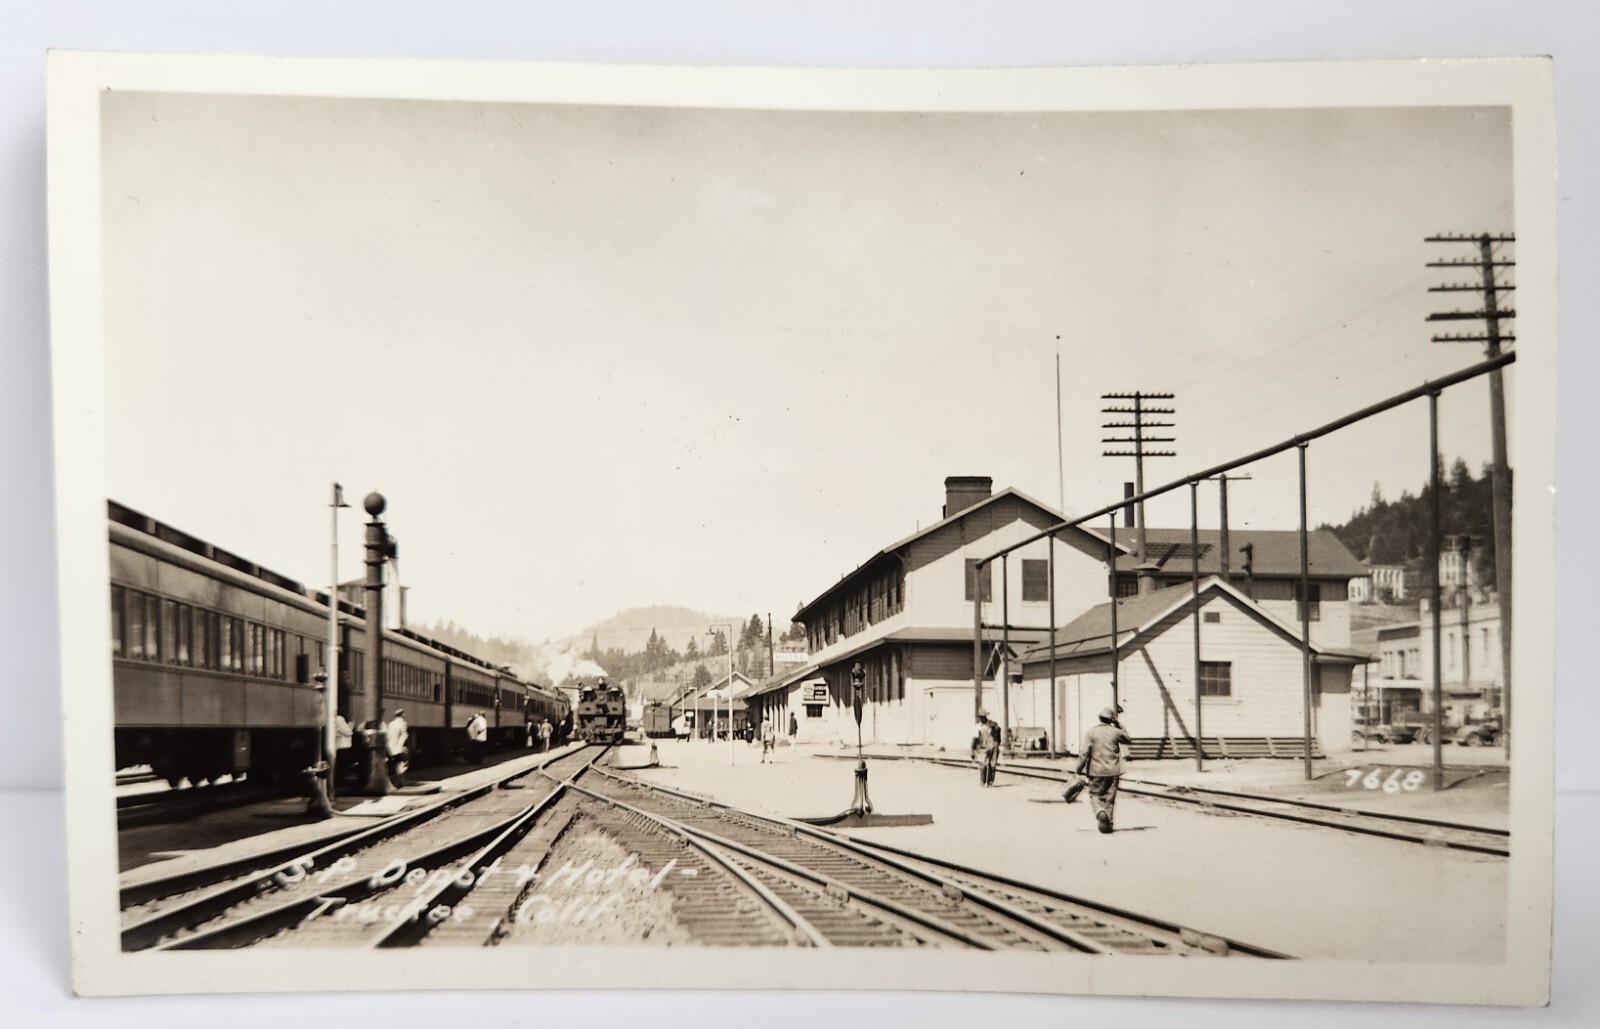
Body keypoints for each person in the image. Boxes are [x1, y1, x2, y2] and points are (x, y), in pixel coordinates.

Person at [1076, 706, 1133, 833]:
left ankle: (1100, 811)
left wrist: (1079, 768)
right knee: (1110, 798)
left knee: (1095, 794)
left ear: (1099, 718)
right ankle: (1108, 824)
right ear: (1111, 720)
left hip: (1096, 771)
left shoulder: (1091, 732)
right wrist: (1118, 724)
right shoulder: (1115, 732)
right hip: (1113, 771)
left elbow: (1084, 753)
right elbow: (1128, 739)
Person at [972, 710, 1001, 787]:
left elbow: (998, 731)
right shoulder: (978, 726)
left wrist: (997, 743)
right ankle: (982, 781)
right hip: (983, 747)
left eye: (983, 717)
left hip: (993, 746)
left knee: (992, 764)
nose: (982, 718)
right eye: (981, 717)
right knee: (983, 764)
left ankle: (990, 782)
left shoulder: (992, 724)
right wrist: (973, 749)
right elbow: (975, 738)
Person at [384, 708, 410, 785]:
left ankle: (394, 782)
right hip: (400, 747)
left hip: (391, 747)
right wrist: (403, 746)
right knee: (403, 763)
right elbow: (404, 735)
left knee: (394, 764)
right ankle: (400, 781)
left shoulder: (391, 724)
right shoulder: (403, 723)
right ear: (402, 714)